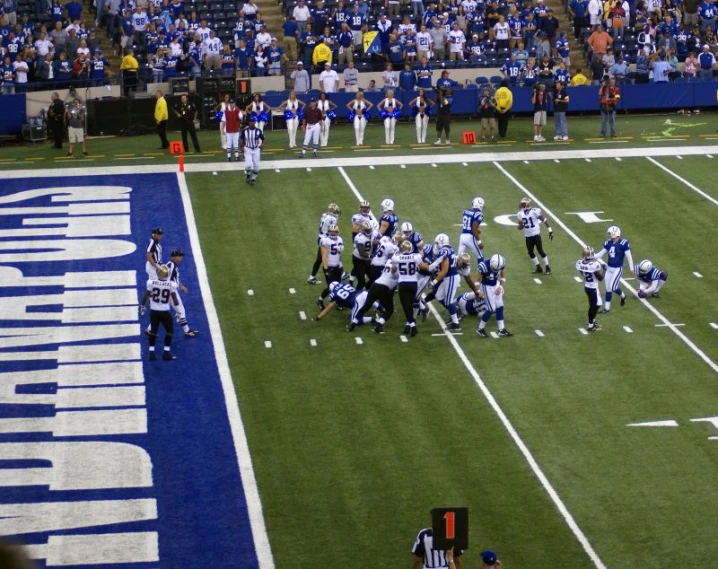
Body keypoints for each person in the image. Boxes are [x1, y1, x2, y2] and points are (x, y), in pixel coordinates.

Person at [139, 264, 179, 361]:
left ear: (158, 273)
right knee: (170, 331)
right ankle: (166, 352)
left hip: (154, 311)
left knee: (153, 332)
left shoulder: (151, 283)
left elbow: (145, 296)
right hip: (165, 311)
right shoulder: (171, 284)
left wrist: (143, 306)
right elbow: (175, 300)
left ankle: (151, 353)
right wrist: (178, 311)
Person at [394, 240, 431, 337]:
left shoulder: (396, 257)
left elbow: (393, 269)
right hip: (413, 283)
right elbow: (423, 267)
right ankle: (411, 326)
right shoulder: (416, 256)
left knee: (406, 307)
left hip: (403, 283)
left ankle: (413, 326)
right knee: (411, 304)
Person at [594, 225, 633, 312]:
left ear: (615, 234)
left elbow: (629, 257)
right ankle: (607, 308)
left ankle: (623, 296)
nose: (609, 236)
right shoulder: (608, 243)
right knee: (608, 288)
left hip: (617, 269)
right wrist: (591, 256)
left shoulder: (623, 243)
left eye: (610, 234)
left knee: (613, 287)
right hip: (609, 268)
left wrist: (631, 268)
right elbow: (600, 254)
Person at [476, 253, 512, 337]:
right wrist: (478, 291)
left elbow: (503, 276)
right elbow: (477, 280)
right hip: (486, 286)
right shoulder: (484, 266)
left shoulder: (501, 263)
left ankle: (501, 329)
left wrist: (500, 286)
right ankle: (480, 328)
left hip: (496, 284)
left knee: (500, 306)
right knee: (491, 308)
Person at [165, 249, 199, 337]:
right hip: (170, 292)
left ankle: (149, 329)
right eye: (179, 256)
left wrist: (181, 286)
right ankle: (186, 330)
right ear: (175, 257)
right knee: (180, 310)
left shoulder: (171, 265)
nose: (181, 258)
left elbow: (173, 279)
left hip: (168, 291)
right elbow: (167, 280)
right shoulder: (171, 266)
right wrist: (171, 292)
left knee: (162, 311)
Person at [516, 196, 553, 274]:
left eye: (523, 203)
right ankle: (538, 267)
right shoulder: (520, 214)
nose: (522, 205)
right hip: (528, 236)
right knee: (530, 252)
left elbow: (544, 220)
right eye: (522, 203)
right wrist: (521, 225)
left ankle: (547, 267)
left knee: (540, 251)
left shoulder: (534, 211)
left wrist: (549, 229)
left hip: (536, 234)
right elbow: (519, 227)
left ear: (527, 204)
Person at [308, 203, 341, 285]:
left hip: (321, 236)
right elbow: (333, 230)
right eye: (335, 210)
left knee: (320, 258)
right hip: (325, 239)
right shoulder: (333, 219)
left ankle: (312, 277)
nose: (337, 212)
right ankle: (338, 274)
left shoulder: (324, 214)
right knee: (330, 255)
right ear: (332, 210)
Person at [576, 246, 604, 332]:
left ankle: (593, 321)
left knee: (596, 304)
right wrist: (605, 270)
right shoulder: (593, 265)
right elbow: (600, 278)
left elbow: (582, 272)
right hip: (593, 288)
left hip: (587, 286)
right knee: (594, 306)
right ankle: (591, 325)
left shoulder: (580, 263)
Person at [316, 224, 345, 308]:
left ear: (337, 232)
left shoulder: (340, 239)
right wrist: (326, 269)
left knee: (338, 286)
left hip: (337, 266)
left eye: (334, 232)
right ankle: (320, 300)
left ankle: (338, 303)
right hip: (329, 267)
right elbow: (323, 256)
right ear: (328, 232)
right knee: (331, 287)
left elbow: (339, 255)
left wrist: (341, 267)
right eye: (331, 232)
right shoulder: (325, 241)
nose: (333, 234)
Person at [240, 115, 265, 185]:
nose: (252, 123)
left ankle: (253, 178)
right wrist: (241, 146)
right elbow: (241, 138)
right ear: (249, 123)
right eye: (250, 122)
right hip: (248, 149)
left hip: (256, 149)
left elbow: (263, 139)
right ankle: (248, 175)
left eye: (253, 122)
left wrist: (262, 145)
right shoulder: (245, 130)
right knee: (248, 165)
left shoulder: (258, 131)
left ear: (255, 122)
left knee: (257, 166)